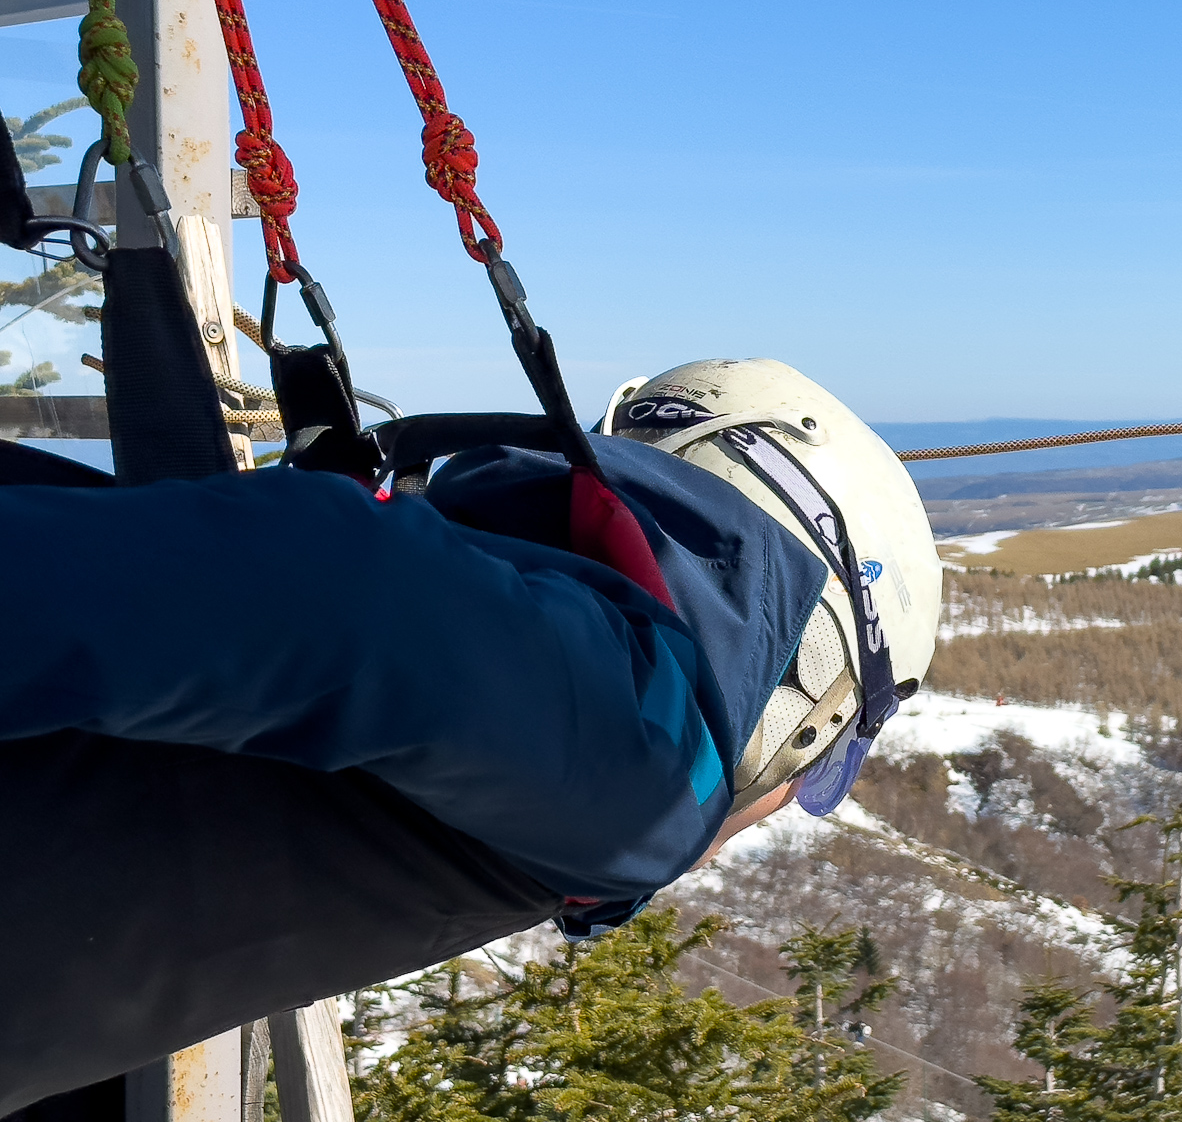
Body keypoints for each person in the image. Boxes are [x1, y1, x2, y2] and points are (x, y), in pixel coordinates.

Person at [0, 359, 940, 1111]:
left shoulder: (538, 648)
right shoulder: (654, 771)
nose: (780, 805)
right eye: (816, 768)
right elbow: (335, 592)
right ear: (808, 694)